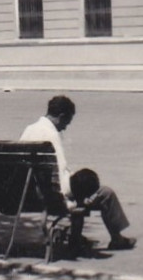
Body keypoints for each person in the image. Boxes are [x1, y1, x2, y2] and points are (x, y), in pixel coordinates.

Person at [19, 95, 134, 253]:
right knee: (104, 192)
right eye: (67, 122)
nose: (65, 127)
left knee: (82, 182)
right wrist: (74, 196)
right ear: (61, 116)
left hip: (28, 195)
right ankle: (115, 239)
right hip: (51, 196)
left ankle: (78, 238)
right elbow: (59, 178)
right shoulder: (51, 136)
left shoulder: (29, 129)